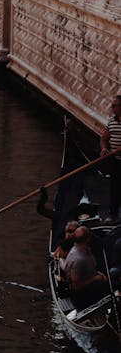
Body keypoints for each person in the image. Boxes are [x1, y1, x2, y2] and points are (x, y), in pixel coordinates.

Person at [64, 225, 109, 309]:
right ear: (87, 239)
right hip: (83, 295)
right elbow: (76, 286)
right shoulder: (78, 260)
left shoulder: (85, 249)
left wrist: (99, 274)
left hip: (93, 280)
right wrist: (95, 278)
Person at [100, 90, 121, 221]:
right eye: (112, 106)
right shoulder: (111, 122)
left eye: (115, 106)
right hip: (115, 160)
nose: (112, 108)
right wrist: (103, 149)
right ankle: (113, 215)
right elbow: (103, 139)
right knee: (115, 188)